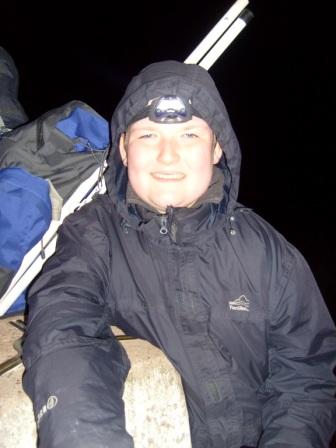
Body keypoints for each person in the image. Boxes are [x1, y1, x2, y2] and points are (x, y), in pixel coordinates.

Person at [22, 60, 336, 448]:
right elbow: (64, 335)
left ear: (217, 147)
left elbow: (307, 377)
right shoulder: (91, 237)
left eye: (189, 135)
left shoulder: (269, 253)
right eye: (149, 135)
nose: (168, 156)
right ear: (123, 147)